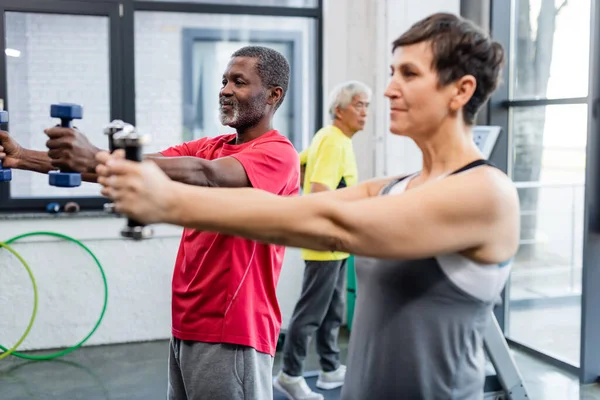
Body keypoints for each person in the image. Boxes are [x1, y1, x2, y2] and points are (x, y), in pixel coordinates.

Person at [96, 13, 519, 400]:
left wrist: (167, 203)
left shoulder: (486, 192)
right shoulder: (397, 186)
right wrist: (48, 160)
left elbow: (331, 223)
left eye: (409, 74)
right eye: (392, 72)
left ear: (461, 90)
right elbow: (287, 209)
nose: (389, 88)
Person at [0, 46, 299, 400]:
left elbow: (209, 175)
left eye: (239, 82)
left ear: (273, 95)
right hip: (187, 323)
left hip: (232, 329)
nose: (225, 90)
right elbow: (137, 165)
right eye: (223, 81)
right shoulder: (210, 146)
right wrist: (21, 157)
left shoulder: (278, 153)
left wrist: (95, 154)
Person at [273, 81, 371, 400]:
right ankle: (289, 375)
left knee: (333, 308)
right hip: (326, 240)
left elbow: (298, 166)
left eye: (367, 105)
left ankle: (330, 368)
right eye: (359, 104)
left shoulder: (331, 138)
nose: (365, 112)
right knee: (311, 311)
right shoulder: (333, 140)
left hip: (337, 241)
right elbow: (319, 191)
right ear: (339, 109)